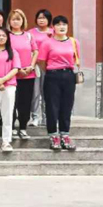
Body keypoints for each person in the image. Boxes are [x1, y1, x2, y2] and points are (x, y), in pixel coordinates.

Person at [37, 15, 82, 151]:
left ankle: (65, 134)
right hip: (52, 75)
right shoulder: (47, 43)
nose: (61, 27)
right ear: (53, 27)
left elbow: (76, 59)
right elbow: (41, 62)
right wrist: (51, 70)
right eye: (58, 24)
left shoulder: (74, 42)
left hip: (68, 75)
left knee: (67, 105)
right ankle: (53, 135)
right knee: (52, 105)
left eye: (64, 24)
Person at [7, 9, 40, 139]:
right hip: (11, 75)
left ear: (23, 21)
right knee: (11, 102)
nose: (16, 22)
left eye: (18, 19)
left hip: (28, 74)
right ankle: (11, 127)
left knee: (25, 102)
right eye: (13, 19)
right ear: (9, 21)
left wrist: (31, 66)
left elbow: (35, 51)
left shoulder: (28, 36)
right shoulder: (7, 35)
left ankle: (23, 127)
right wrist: (17, 69)